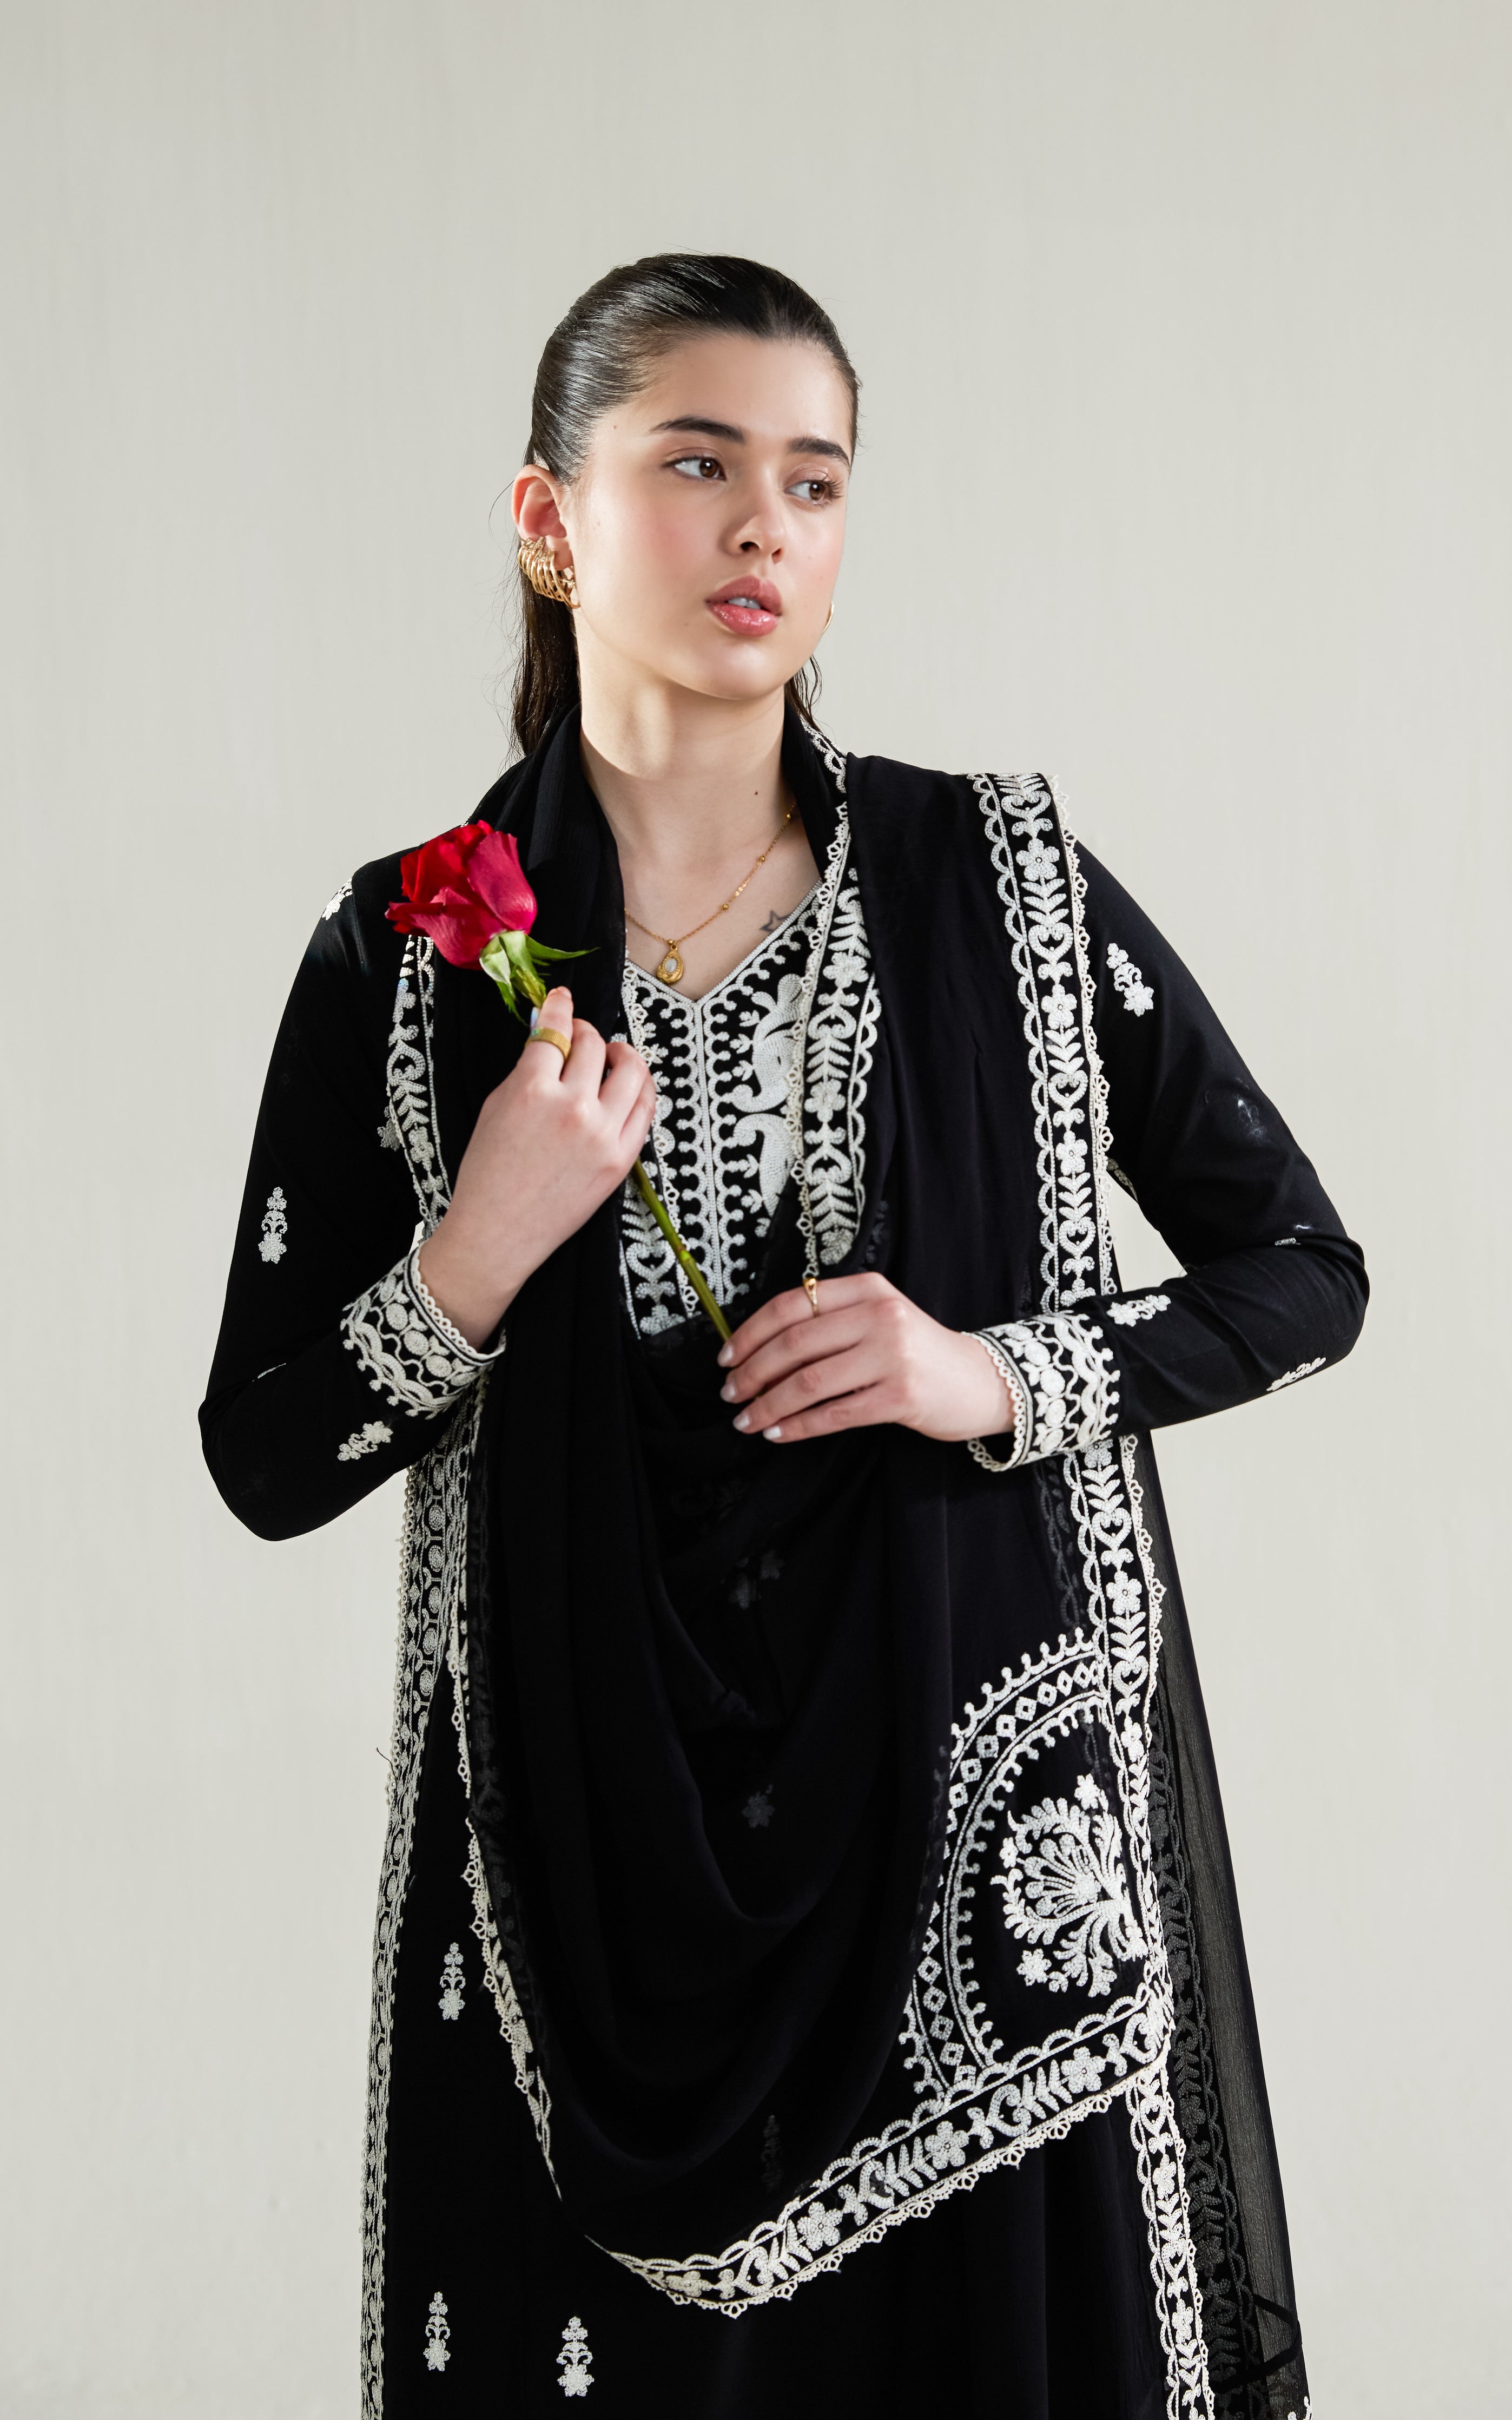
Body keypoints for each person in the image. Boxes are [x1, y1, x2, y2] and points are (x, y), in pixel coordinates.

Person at [202, 254, 1365, 2419]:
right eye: (697, 463)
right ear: (548, 520)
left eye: (815, 480)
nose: (764, 525)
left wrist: (988, 1373)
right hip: (576, 1893)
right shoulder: (407, 952)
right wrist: (475, 1253)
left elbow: (1301, 1269)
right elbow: (263, 1453)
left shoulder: (999, 886)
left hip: (965, 1869)